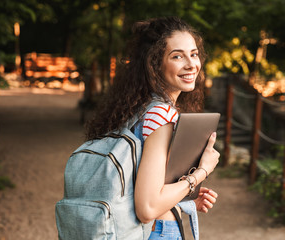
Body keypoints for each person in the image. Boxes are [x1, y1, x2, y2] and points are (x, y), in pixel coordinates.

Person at [85, 16, 220, 240]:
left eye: (194, 54)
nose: (191, 64)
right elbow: (147, 207)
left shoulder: (137, 108)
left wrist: (186, 200)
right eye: (177, 56)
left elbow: (140, 188)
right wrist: (200, 173)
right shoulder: (161, 114)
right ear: (155, 63)